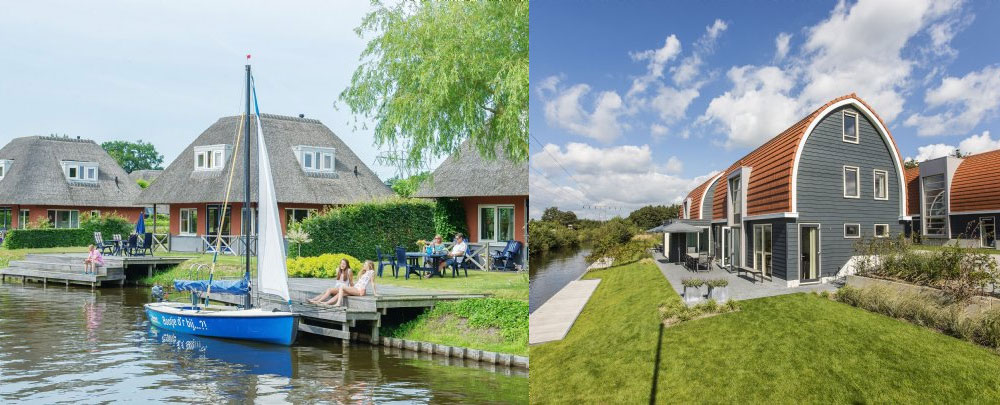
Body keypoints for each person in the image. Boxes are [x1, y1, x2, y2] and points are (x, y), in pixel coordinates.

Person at [313, 261, 378, 307]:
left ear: (369, 266)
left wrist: (375, 293)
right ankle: (327, 303)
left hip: (360, 291)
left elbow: (372, 282)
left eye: (365, 264)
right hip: (355, 288)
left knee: (342, 287)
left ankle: (338, 303)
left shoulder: (371, 272)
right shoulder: (364, 272)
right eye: (364, 264)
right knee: (341, 292)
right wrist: (351, 287)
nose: (364, 265)